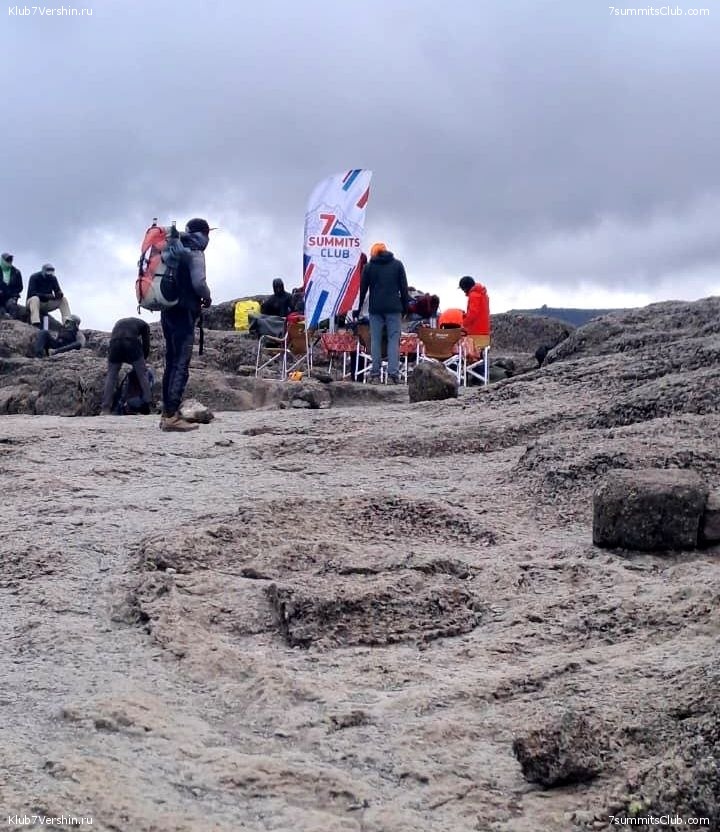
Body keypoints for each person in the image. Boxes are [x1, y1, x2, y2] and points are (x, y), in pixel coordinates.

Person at [159, 217, 212, 432]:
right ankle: (172, 416)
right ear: (205, 233)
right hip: (184, 311)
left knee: (171, 362)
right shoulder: (195, 251)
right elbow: (199, 283)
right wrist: (207, 296)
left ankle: (167, 413)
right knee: (181, 363)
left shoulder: (173, 247)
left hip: (167, 309)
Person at [356, 242, 410, 384]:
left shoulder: (369, 267)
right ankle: (393, 375)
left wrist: (358, 308)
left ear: (373, 253)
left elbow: (362, 290)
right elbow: (404, 288)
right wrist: (406, 308)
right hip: (394, 308)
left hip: (375, 309)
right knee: (393, 340)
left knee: (375, 340)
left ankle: (375, 375)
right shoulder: (397, 265)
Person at [100, 317, 154, 416]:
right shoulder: (145, 325)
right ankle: (149, 405)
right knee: (142, 374)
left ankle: (105, 408)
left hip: (114, 343)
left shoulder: (120, 322)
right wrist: (143, 360)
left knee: (111, 376)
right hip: (131, 341)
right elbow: (146, 344)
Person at [0, 253, 23, 319]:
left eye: (11, 259)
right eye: (7, 259)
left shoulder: (16, 272)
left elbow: (20, 287)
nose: (9, 261)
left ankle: (13, 322)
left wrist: (13, 294)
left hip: (10, 297)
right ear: (2, 260)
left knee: (12, 306)